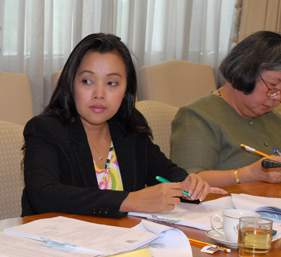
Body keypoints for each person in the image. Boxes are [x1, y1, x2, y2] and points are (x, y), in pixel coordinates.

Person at [22, 33, 223, 218]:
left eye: (112, 83)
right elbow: (44, 196)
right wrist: (131, 201)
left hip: (123, 237)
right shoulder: (44, 129)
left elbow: (163, 171)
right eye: (87, 81)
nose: (99, 94)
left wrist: (188, 183)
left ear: (126, 89)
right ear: (71, 84)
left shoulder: (129, 126)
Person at [170, 31, 281, 186]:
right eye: (273, 85)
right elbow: (188, 181)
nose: (277, 97)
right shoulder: (197, 116)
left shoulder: (275, 120)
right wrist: (248, 174)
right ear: (245, 72)